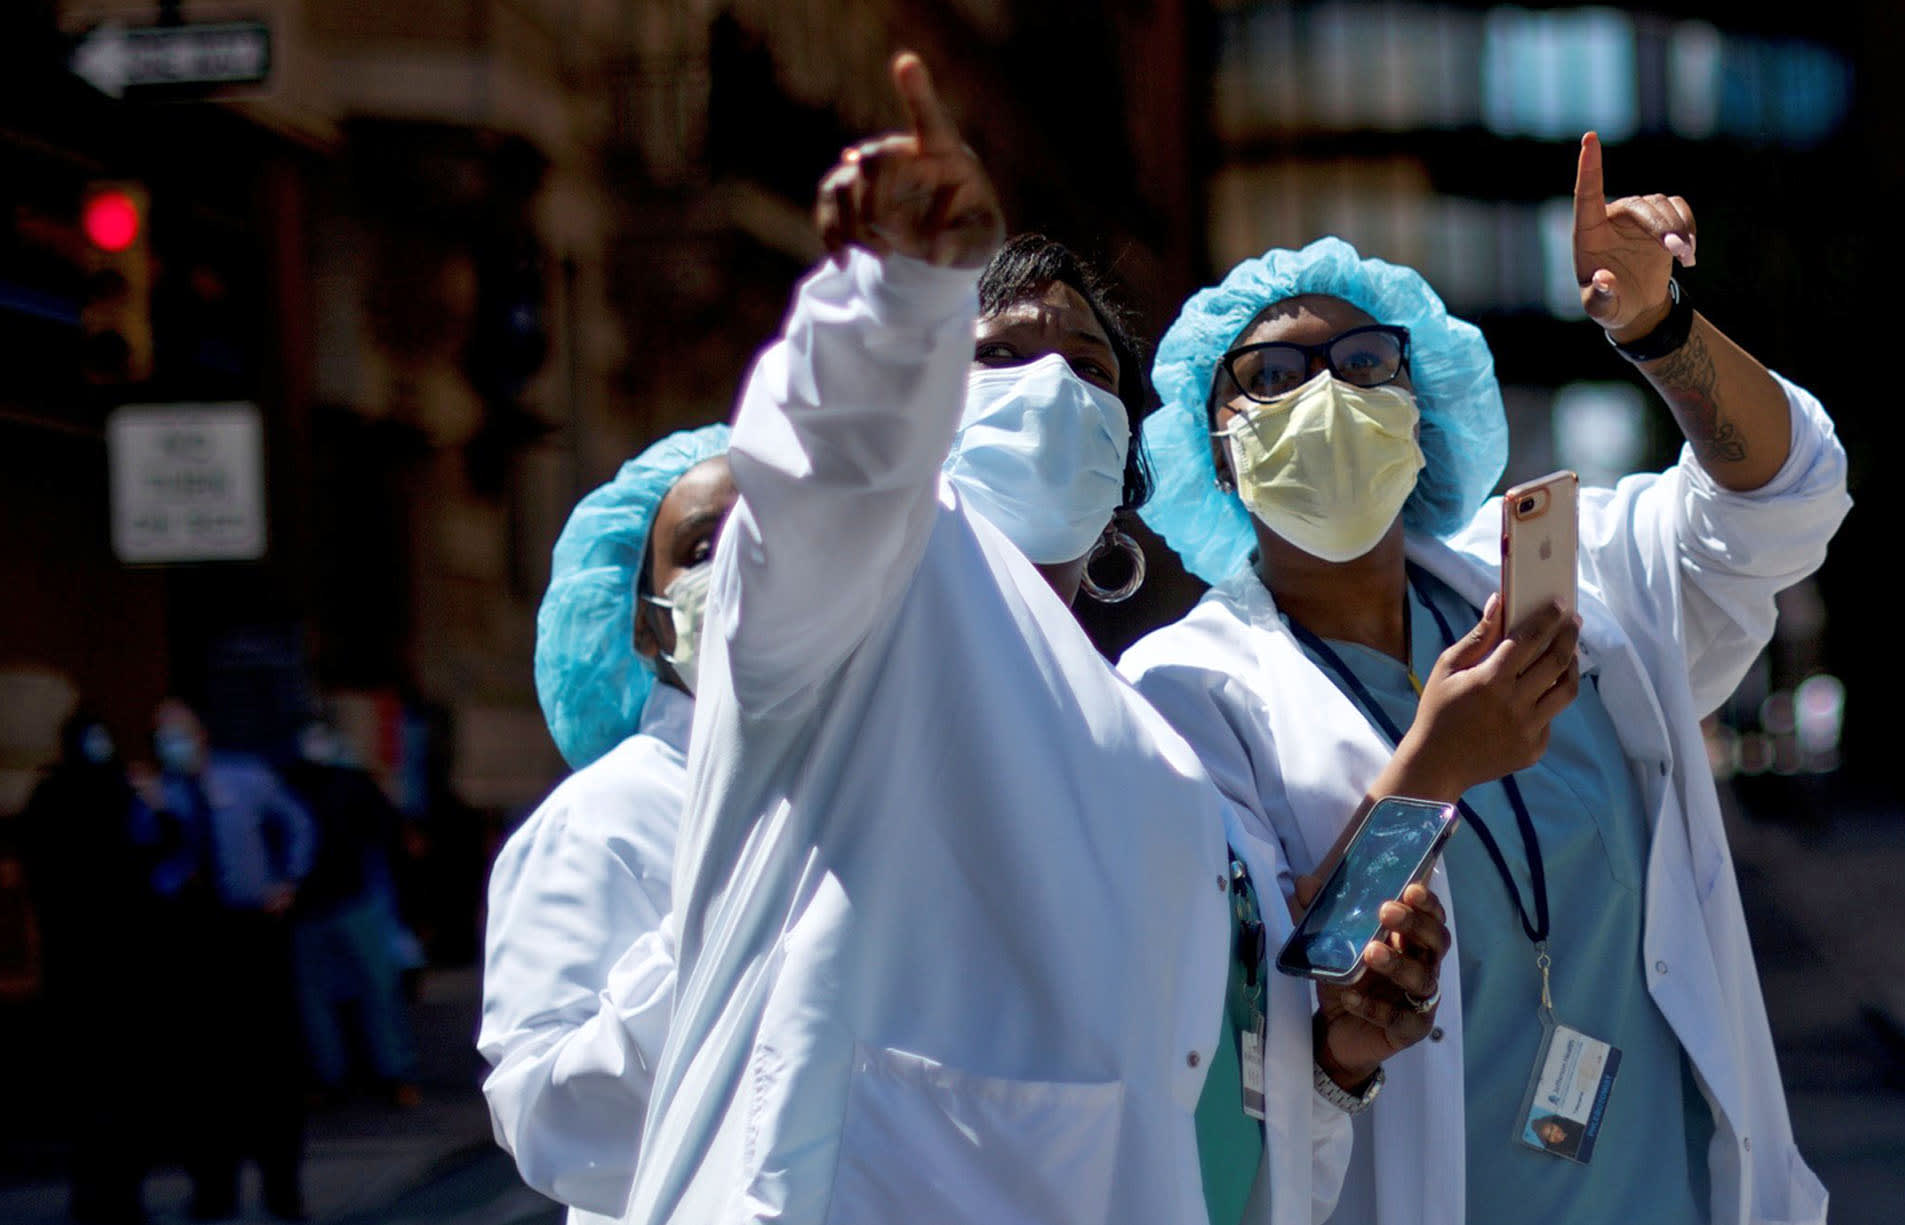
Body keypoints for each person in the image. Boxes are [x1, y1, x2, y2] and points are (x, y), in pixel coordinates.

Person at [621, 53, 1445, 1225]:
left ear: (1128, 458)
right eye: (998, 355)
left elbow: (1194, 1083)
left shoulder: (1155, 757)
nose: (1050, 387)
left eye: (1090, 366)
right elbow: (816, 488)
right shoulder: (881, 602)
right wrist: (892, 299)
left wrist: (1335, 1061)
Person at [1120, 132, 1848, 1225]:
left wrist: (1660, 330)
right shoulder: (1184, 693)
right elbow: (1261, 1019)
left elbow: (1781, 499)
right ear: (1214, 448)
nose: (1326, 394)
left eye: (1365, 363)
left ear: (1422, 407)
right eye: (1270, 377)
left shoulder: (1563, 582)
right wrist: (1433, 768)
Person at [478, 423, 734, 1224]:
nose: (745, 564)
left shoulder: (885, 778)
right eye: (701, 547)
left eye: (776, 531)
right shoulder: (600, 817)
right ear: (646, 625)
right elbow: (549, 1121)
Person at [139, 698, 317, 1222]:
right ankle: (213, 1187)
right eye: (162, 735)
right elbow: (145, 858)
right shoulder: (155, 795)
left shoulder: (245, 779)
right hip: (194, 936)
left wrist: (290, 882)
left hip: (252, 931)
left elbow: (298, 825)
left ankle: (282, 1186)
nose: (174, 744)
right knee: (206, 1071)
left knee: (272, 1065)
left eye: (181, 733)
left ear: (202, 734)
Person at [19, 712, 158, 1224]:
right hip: (113, 963)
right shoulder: (114, 794)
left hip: (80, 965)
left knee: (91, 1087)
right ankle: (117, 1193)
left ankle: (98, 1192)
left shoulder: (53, 798)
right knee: (117, 1086)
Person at [285, 717, 422, 1105]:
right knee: (315, 1003)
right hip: (308, 907)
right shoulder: (291, 785)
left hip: (355, 901)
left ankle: (394, 1073)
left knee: (377, 990)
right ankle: (331, 1080)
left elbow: (388, 835)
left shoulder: (353, 784)